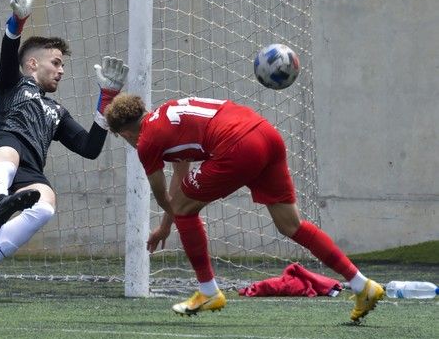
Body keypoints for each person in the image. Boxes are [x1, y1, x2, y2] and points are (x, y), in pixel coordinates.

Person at [103, 93, 385, 322]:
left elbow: (163, 194)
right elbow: (180, 177)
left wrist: (173, 215)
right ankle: (362, 285)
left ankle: (208, 291)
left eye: (123, 137)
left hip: (236, 145)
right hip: (265, 134)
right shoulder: (166, 116)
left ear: (126, 132)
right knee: (291, 225)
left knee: (186, 210)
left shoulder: (146, 141)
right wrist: (166, 225)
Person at [0, 0, 128, 298]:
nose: (61, 70)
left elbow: (90, 147)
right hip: (1, 144)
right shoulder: (12, 84)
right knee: (9, 154)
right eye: (56, 63)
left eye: (63, 66)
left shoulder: (57, 111)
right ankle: (1, 203)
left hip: (30, 167)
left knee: (46, 204)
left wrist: (107, 97)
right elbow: (7, 52)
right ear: (32, 64)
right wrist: (17, 22)